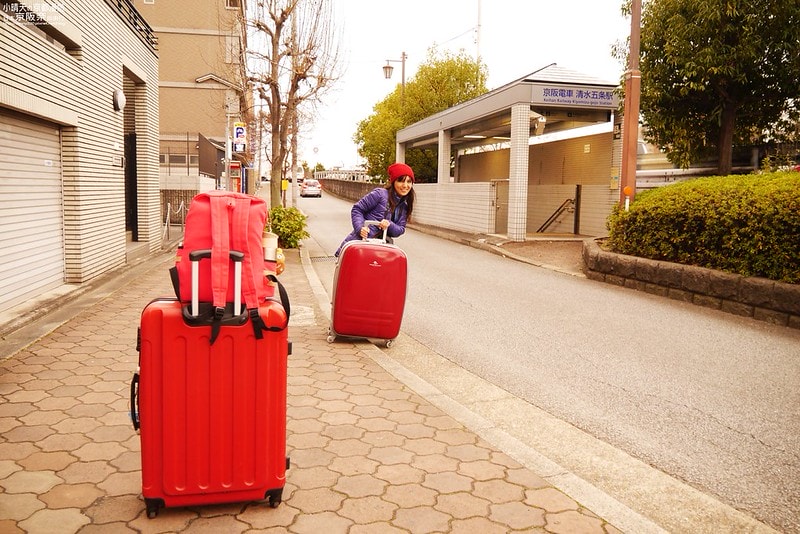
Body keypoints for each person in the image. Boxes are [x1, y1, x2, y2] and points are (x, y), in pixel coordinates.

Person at [334, 162, 415, 256]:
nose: (405, 185)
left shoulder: (404, 206)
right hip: (360, 246)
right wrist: (360, 228)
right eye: (401, 181)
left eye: (409, 181)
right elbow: (357, 209)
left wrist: (389, 224)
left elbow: (400, 229)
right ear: (393, 182)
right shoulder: (380, 194)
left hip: (381, 250)